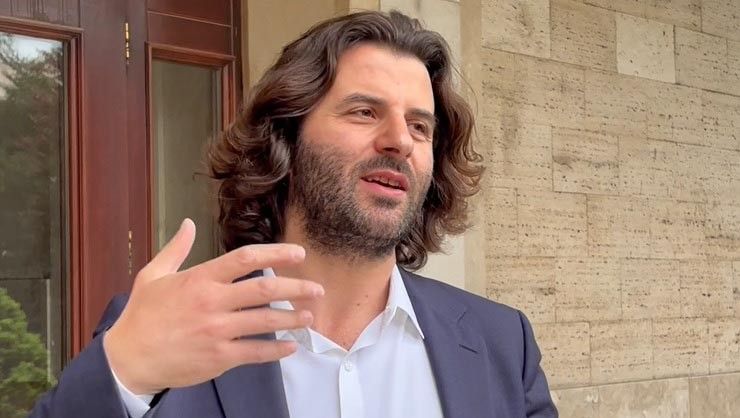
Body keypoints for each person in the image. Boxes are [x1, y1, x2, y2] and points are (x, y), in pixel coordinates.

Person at [29, 10, 557, 418]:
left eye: (420, 126)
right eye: (364, 111)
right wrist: (122, 370)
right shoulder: (164, 331)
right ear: (286, 135)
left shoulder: (501, 342)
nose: (400, 140)